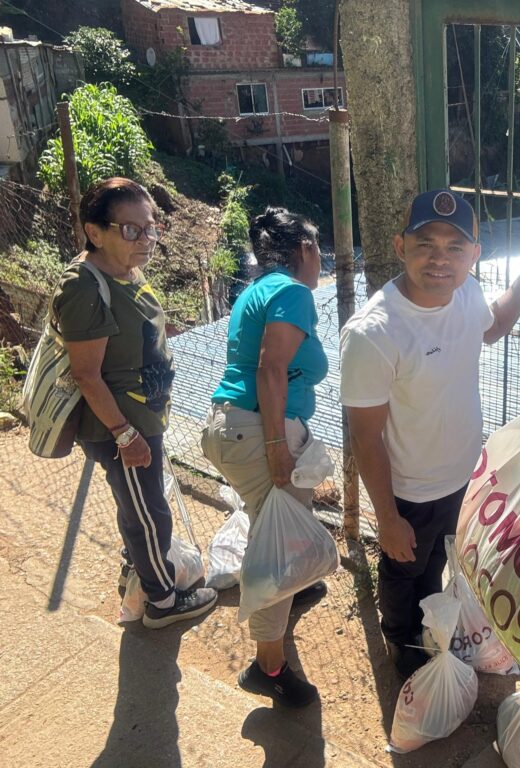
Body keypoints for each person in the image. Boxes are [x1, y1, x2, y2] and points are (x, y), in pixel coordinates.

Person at [339, 189, 520, 677]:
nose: (440, 259)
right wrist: (387, 517)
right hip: (410, 489)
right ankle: (402, 647)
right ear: (400, 247)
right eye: (426, 243)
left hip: (463, 475)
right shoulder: (375, 332)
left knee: (437, 565)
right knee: (403, 568)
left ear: (474, 255)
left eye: (456, 247)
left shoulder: (467, 292)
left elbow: (493, 325)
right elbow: (365, 438)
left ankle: (430, 630)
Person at [53, 177, 218, 628]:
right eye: (131, 230)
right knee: (149, 515)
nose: (146, 240)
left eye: (150, 228)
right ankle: (163, 601)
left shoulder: (125, 270)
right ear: (95, 232)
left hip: (142, 417)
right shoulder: (85, 289)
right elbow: (87, 374)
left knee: (141, 507)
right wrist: (125, 435)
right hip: (121, 426)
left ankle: (140, 568)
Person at [201, 206, 328, 708]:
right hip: (259, 432)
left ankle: (290, 592)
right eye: (319, 249)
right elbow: (270, 368)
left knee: (272, 528)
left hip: (232, 424)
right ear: (303, 251)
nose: (321, 259)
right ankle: (268, 667)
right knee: (280, 547)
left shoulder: (256, 290)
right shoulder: (292, 292)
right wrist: (277, 445)